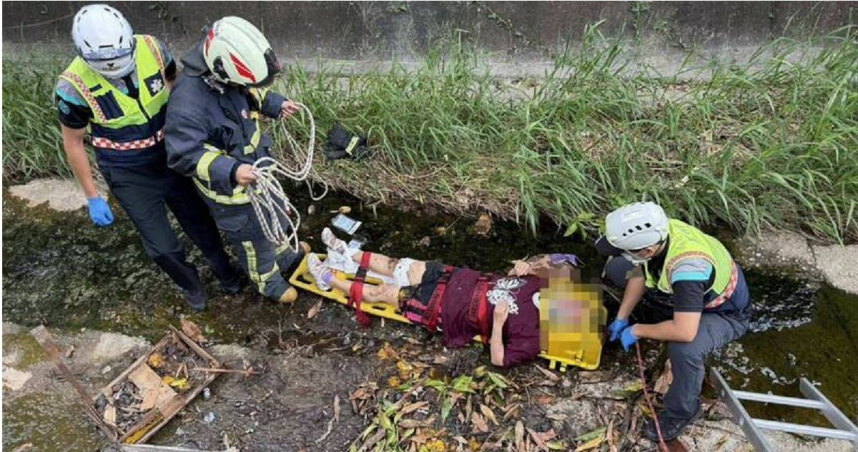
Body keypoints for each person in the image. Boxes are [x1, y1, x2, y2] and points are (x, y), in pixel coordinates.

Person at [56, 4, 242, 311]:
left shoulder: (152, 48)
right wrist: (92, 196)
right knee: (161, 247)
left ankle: (226, 271)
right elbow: (73, 143)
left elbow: (176, 82)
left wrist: (186, 127)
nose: (117, 65)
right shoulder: (71, 88)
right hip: (128, 172)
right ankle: (190, 284)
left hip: (172, 156)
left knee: (201, 221)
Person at [165, 16, 307, 303]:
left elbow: (251, 89)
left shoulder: (227, 73)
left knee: (275, 215)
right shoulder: (187, 103)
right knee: (253, 239)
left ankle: (286, 257)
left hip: (259, 171)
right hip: (232, 193)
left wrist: (276, 105)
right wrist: (231, 170)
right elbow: (183, 154)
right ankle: (268, 282)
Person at [306, 228, 594, 368]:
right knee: (399, 265)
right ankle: (347, 252)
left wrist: (497, 323)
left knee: (385, 293)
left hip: (448, 310)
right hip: (457, 279)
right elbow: (506, 277)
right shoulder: (539, 287)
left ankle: (327, 279)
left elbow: (498, 359)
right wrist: (522, 267)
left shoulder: (533, 337)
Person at [595, 202, 752, 442]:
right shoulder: (659, 234)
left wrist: (637, 330)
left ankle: (683, 411)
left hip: (724, 313)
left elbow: (685, 331)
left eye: (626, 249)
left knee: (684, 349)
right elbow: (639, 273)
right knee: (619, 269)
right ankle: (660, 311)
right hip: (685, 292)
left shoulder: (688, 269)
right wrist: (621, 317)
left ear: (647, 250)